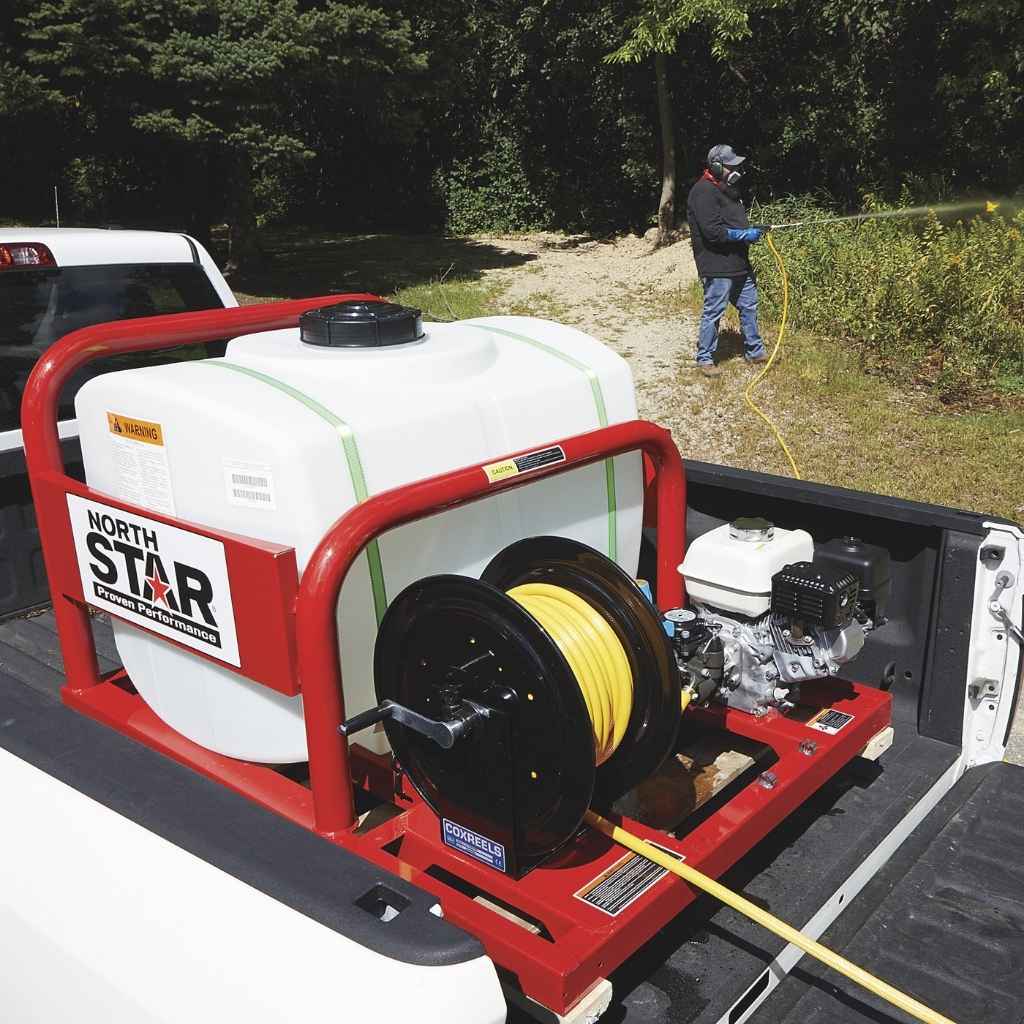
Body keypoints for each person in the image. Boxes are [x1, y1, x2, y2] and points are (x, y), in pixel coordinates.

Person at [686, 144, 768, 378]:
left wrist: (752, 230)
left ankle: (755, 351)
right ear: (716, 166)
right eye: (731, 165)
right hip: (716, 264)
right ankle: (705, 358)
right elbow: (713, 232)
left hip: (738, 263)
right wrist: (744, 234)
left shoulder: (728, 189)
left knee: (749, 305)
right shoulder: (702, 192)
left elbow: (734, 223)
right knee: (714, 311)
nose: (736, 169)